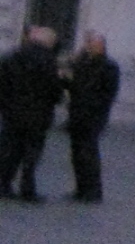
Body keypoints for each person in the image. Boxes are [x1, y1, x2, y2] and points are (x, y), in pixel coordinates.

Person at [0, 23, 63, 201]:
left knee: (9, 149)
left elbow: (3, 82)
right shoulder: (48, 60)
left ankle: (3, 184)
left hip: (12, 112)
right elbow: (54, 88)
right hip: (38, 114)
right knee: (32, 153)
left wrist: (5, 105)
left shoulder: (13, 55)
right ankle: (27, 188)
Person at [62, 33, 120, 204]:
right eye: (87, 44)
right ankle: (80, 188)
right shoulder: (82, 63)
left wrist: (95, 107)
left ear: (101, 46)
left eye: (92, 44)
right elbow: (75, 86)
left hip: (93, 116)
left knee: (89, 153)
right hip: (77, 114)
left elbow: (108, 92)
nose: (88, 47)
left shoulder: (108, 66)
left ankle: (93, 190)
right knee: (77, 153)